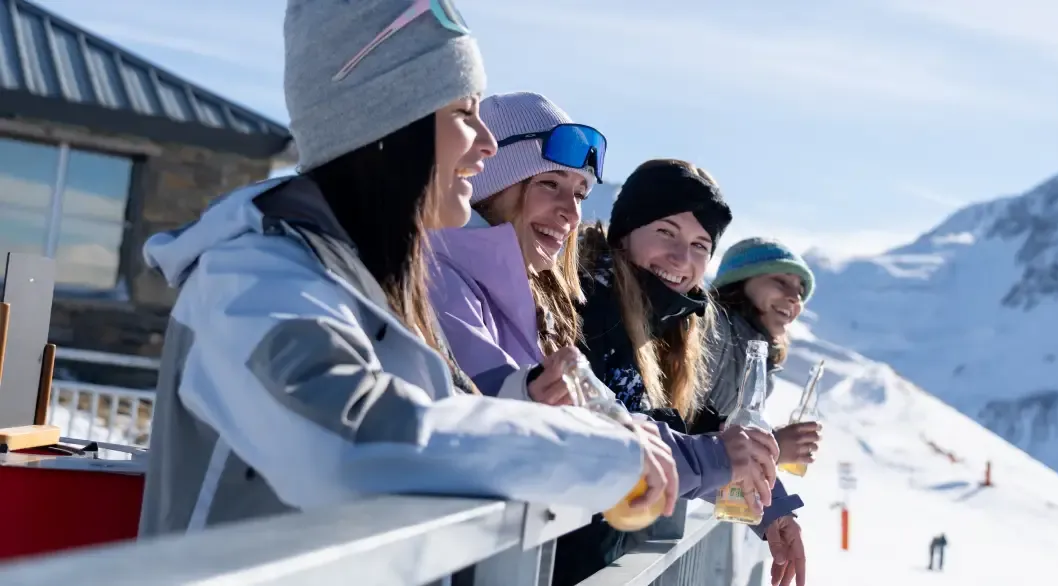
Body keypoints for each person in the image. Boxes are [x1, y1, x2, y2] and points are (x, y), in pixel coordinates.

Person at [136, 0, 677, 537]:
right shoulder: (253, 278)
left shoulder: (366, 280)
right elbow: (350, 446)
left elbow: (430, 414)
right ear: (388, 125)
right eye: (464, 114)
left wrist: (528, 402)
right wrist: (596, 454)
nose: (486, 144)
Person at [555, 159, 805, 585]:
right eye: (666, 232)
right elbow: (613, 437)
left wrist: (770, 508)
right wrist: (723, 458)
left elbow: (690, 430)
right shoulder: (590, 310)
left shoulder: (672, 328)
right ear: (625, 232)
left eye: (699, 246)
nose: (680, 258)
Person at [427, 91, 602, 400]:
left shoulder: (534, 301)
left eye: (579, 195)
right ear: (491, 185)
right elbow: (485, 404)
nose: (573, 214)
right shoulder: (440, 278)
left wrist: (705, 449)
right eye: (550, 184)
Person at [699, 238, 823, 469]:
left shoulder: (758, 359)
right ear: (739, 281)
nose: (795, 298)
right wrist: (770, 448)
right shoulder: (710, 332)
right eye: (780, 281)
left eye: (800, 291)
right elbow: (680, 431)